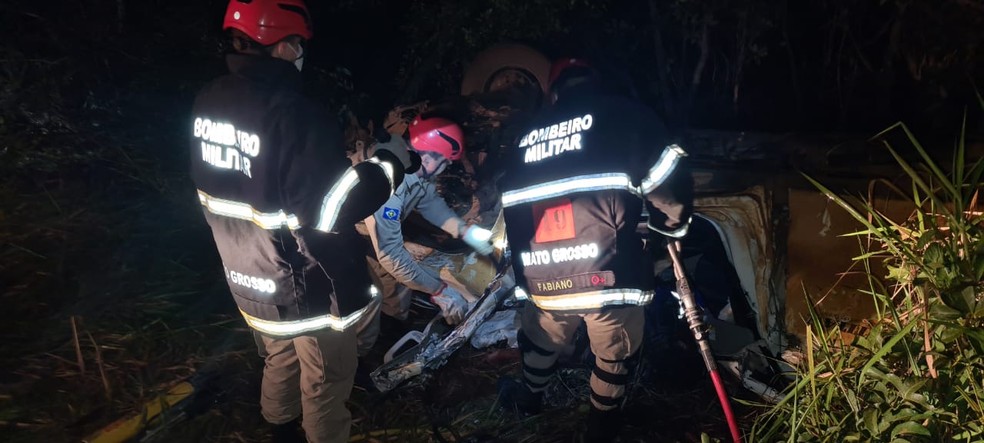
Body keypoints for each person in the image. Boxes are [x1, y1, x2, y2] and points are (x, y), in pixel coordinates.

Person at [189, 1, 416, 442]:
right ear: (278, 43)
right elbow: (331, 209)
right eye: (296, 43)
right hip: (305, 284)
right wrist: (391, 165)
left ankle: (279, 429)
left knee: (280, 357)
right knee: (328, 379)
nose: (299, 52)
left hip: (246, 272)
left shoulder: (208, 99)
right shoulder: (293, 113)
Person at [495, 57, 693, 442]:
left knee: (541, 335)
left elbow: (510, 205)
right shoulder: (625, 116)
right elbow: (670, 182)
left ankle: (529, 399)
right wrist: (668, 230)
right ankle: (601, 426)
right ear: (596, 84)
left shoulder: (525, 134)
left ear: (553, 93)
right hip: (607, 276)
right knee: (613, 350)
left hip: (542, 274)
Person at [355, 116, 495, 359]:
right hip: (340, 238)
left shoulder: (413, 167)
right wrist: (439, 291)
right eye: (443, 163)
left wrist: (463, 230)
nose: (444, 169)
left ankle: (391, 333)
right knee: (367, 298)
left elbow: (429, 202)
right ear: (427, 155)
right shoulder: (387, 181)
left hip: (370, 231)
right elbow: (390, 254)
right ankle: (359, 359)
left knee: (398, 289)